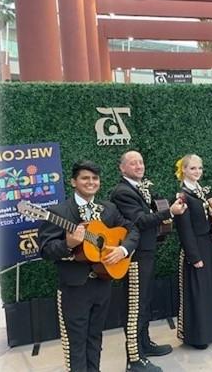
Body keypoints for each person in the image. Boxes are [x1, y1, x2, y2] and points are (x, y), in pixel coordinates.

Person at [39, 160, 139, 372]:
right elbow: (46, 250)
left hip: (103, 282)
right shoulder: (58, 211)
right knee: (77, 342)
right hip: (75, 287)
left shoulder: (109, 209)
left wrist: (123, 250)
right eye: (85, 178)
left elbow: (131, 230)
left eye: (95, 178)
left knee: (95, 336)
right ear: (74, 182)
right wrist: (69, 243)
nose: (91, 182)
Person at [111, 151, 186, 372]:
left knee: (144, 302)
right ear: (122, 168)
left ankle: (144, 344)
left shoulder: (139, 188)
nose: (138, 166)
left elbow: (149, 211)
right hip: (134, 256)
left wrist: (164, 210)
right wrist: (168, 213)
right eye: (132, 163)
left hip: (146, 251)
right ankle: (134, 359)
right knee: (135, 306)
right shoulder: (122, 191)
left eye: (141, 162)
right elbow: (140, 221)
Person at [174, 154, 212, 349]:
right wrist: (193, 256)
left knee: (208, 290)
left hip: (206, 244)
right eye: (193, 168)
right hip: (194, 247)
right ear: (184, 170)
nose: (197, 172)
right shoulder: (182, 195)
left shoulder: (201, 192)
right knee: (196, 291)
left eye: (200, 168)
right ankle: (197, 336)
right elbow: (184, 229)